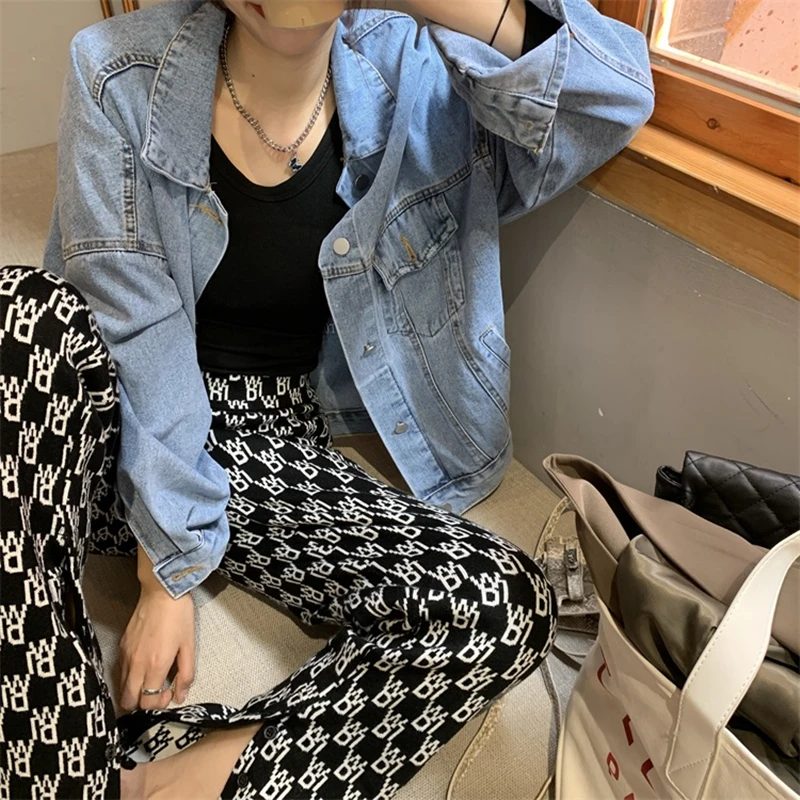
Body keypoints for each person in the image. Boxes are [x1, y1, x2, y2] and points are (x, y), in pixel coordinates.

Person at [0, 0, 654, 797]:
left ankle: (144, 782)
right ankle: (57, 762)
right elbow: (132, 330)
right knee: (21, 313)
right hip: (122, 426)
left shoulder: (418, 71)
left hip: (269, 440)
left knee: (502, 605)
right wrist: (164, 570)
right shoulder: (114, 67)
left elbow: (610, 99)